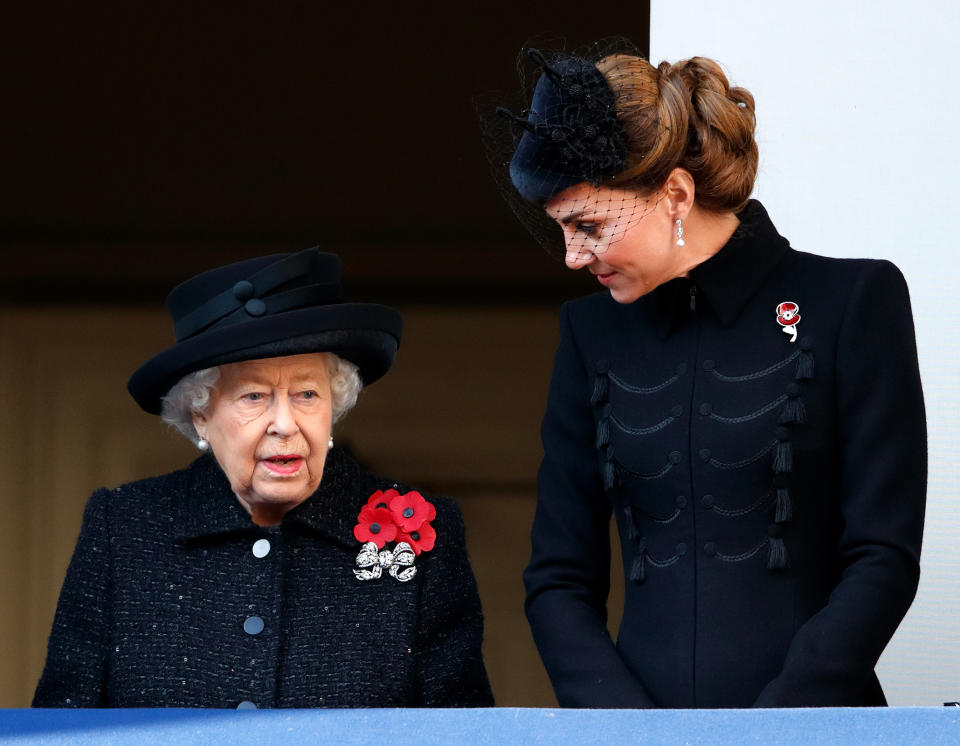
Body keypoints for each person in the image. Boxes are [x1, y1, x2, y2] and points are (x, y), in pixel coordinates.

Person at [489, 43, 926, 708]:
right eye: (563, 231)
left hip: (814, 732)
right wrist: (629, 732)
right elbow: (557, 579)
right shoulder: (591, 335)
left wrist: (777, 729)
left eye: (589, 225)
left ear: (674, 194)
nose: (574, 256)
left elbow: (883, 555)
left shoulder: (852, 300)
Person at [33, 248, 493, 708]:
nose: (285, 424)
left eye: (307, 394)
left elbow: (464, 731)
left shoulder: (420, 534)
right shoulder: (125, 528)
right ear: (200, 415)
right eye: (254, 396)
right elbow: (62, 727)